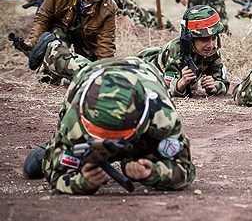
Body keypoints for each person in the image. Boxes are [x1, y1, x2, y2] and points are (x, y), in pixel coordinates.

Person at [21, 56, 196, 195]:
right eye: (101, 134)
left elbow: (185, 170)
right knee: (34, 169)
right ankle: (59, 144)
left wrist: (153, 173)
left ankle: (132, 152)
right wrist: (81, 182)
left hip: (144, 74)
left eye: (118, 136)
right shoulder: (73, 117)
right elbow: (55, 171)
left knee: (146, 158)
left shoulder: (163, 117)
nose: (108, 142)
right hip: (91, 74)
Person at [23, 0, 118, 84]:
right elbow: (43, 18)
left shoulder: (109, 8)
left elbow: (105, 44)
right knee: (49, 77)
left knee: (94, 75)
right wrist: (32, 43)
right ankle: (55, 73)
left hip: (87, 45)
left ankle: (75, 76)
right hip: (60, 35)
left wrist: (106, 73)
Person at [137, 5, 230, 98]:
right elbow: (164, 88)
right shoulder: (176, 51)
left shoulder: (212, 51)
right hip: (143, 72)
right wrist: (181, 83)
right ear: (191, 39)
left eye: (214, 38)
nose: (210, 45)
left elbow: (223, 82)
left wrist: (214, 87)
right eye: (204, 40)